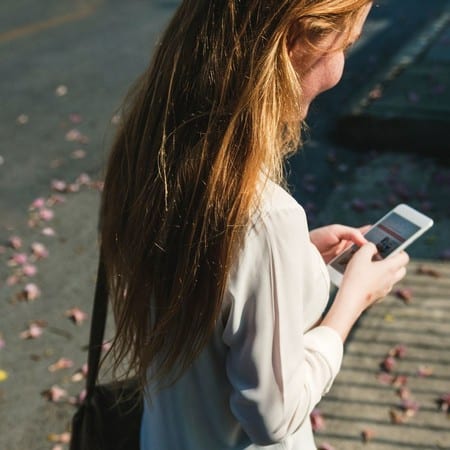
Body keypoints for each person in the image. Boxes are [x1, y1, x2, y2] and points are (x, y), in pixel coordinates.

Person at [100, 1, 409, 448]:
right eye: (348, 43)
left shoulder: (148, 157)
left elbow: (208, 290)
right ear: (297, 42)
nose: (343, 63)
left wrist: (297, 258)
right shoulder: (267, 217)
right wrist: (350, 305)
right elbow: (270, 415)